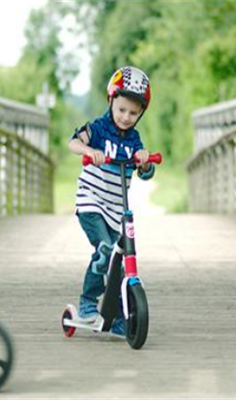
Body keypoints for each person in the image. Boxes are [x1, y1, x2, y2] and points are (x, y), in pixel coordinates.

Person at [68, 66, 156, 337]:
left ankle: (119, 317)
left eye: (133, 112)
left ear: (140, 113)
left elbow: (146, 170)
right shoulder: (99, 127)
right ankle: (86, 303)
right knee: (105, 250)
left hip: (118, 209)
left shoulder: (134, 139)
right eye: (121, 110)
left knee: (118, 261)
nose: (126, 117)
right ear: (111, 102)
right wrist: (89, 151)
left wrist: (144, 162)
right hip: (91, 203)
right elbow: (73, 143)